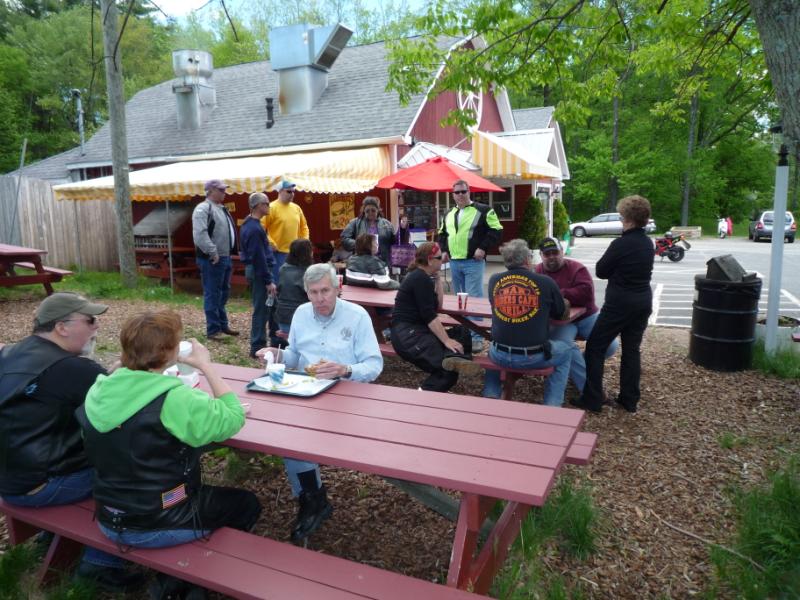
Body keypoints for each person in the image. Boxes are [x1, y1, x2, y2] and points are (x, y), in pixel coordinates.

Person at [76, 310, 261, 598]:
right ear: (170, 351)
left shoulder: (100, 388)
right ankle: (191, 577)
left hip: (108, 515)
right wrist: (207, 366)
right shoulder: (173, 398)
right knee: (246, 504)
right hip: (159, 521)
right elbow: (233, 417)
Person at [0, 292, 142, 591]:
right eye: (90, 320)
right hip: (42, 485)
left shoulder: (9, 353)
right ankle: (100, 565)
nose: (96, 326)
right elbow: (131, 412)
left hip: (10, 478)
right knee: (136, 471)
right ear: (61, 327)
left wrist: (107, 377)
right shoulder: (73, 369)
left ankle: (50, 536)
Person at [256, 264, 382, 543]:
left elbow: (374, 366)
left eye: (325, 291)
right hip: (305, 391)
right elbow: (295, 356)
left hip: (347, 398)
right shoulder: (302, 313)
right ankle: (312, 498)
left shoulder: (357, 316)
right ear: (306, 292)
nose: (319, 298)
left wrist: (345, 369)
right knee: (287, 433)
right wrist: (277, 354)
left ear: (337, 288)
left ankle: (312, 498)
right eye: (313, 292)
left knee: (298, 436)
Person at [572, 195, 655, 413]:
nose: (620, 220)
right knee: (631, 350)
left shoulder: (621, 244)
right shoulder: (648, 243)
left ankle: (592, 399)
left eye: (621, 216)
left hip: (620, 304)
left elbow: (601, 270)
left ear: (628, 219)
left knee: (595, 347)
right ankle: (629, 399)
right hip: (643, 301)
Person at [481, 239, 581, 406]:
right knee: (567, 351)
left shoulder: (494, 280)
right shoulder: (545, 282)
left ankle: (491, 395)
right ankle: (552, 406)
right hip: (533, 356)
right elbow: (559, 313)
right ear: (527, 259)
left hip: (500, 354)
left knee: (492, 349)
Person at [390, 242, 483, 392]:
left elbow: (438, 306)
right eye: (439, 258)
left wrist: (438, 279)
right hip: (408, 336)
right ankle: (422, 397)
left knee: (462, 331)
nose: (443, 260)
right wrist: (446, 340)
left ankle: (454, 359)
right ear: (429, 260)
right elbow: (430, 316)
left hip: (419, 331)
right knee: (447, 373)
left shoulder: (425, 277)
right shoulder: (419, 278)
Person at [535, 236, 618, 391]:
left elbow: (586, 294)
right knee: (566, 348)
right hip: (560, 322)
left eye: (555, 252)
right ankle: (588, 390)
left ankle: (580, 364)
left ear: (562, 252)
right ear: (541, 255)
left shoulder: (577, 268)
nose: (552, 257)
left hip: (586, 316)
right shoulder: (537, 271)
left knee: (611, 345)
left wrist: (558, 294)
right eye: (547, 254)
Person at [438, 179, 503, 351]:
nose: (460, 195)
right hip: (454, 262)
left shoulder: (483, 210)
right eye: (457, 192)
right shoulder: (449, 213)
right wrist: (444, 250)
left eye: (463, 191)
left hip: (473, 262)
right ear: (452, 195)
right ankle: (464, 333)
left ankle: (476, 337)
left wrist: (483, 247)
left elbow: (497, 230)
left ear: (469, 192)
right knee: (460, 300)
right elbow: (442, 234)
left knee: (473, 298)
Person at [192, 179, 239, 340]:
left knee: (223, 293)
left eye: (224, 189)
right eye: (221, 190)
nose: (224, 192)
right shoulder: (203, 208)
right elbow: (200, 234)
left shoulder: (220, 208)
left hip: (224, 256)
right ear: (210, 190)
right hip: (212, 259)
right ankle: (213, 330)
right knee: (213, 293)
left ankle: (222, 325)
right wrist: (213, 252)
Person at [240, 192, 276, 358]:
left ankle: (268, 342)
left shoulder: (249, 223)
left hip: (257, 270)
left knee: (267, 307)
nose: (269, 206)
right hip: (259, 271)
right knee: (261, 309)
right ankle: (257, 347)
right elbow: (258, 257)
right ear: (258, 206)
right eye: (266, 203)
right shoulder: (254, 228)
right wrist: (268, 280)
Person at [261, 179, 310, 286]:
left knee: (295, 282)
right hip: (278, 253)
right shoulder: (272, 208)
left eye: (293, 191)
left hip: (295, 253)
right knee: (279, 283)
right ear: (280, 191)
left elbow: (304, 227)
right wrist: (270, 242)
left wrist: (304, 241)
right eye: (289, 191)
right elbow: (261, 228)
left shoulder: (296, 208)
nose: (292, 194)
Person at [274, 238, 313, 335]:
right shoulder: (309, 272)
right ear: (308, 253)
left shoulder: (283, 269)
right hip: (301, 320)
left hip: (282, 319)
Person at [340, 196, 395, 264]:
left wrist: (402, 229)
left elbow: (395, 242)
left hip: (382, 264)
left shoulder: (387, 224)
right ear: (364, 211)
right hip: (362, 264)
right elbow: (344, 238)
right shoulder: (355, 223)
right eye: (367, 211)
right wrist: (359, 244)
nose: (370, 213)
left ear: (378, 210)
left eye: (373, 210)